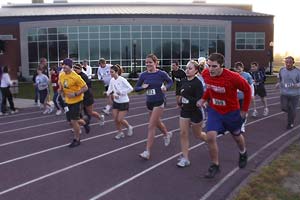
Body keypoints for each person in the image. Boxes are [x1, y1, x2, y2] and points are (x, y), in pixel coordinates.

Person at [197, 53, 252, 178]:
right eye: (209, 65)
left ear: (221, 66)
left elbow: (247, 90)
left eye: (214, 66)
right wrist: (204, 99)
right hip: (215, 111)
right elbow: (210, 89)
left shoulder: (233, 77)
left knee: (237, 136)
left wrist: (244, 110)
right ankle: (215, 165)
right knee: (210, 136)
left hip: (231, 112)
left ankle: (243, 152)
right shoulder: (206, 74)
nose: (210, 69)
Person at [135, 54, 173, 160]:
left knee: (151, 126)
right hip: (149, 102)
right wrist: (142, 87)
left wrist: (166, 87)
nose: (148, 64)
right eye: (146, 62)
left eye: (150, 62)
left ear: (156, 63)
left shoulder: (161, 74)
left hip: (159, 101)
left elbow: (170, 82)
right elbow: (136, 88)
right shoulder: (143, 75)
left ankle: (147, 151)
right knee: (157, 122)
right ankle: (167, 134)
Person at [177, 60, 206, 167]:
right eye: (186, 68)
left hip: (195, 112)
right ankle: (185, 158)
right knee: (183, 134)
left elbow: (199, 101)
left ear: (196, 71)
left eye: (190, 68)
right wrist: (180, 100)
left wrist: (187, 97)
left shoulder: (198, 83)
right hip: (185, 111)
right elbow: (181, 94)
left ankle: (208, 140)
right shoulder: (183, 81)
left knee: (198, 135)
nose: (187, 70)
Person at [58, 58, 89, 148]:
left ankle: (77, 139)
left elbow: (85, 87)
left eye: (66, 65)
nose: (64, 66)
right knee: (70, 121)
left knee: (73, 121)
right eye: (63, 65)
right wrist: (60, 90)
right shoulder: (62, 75)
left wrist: (75, 94)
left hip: (77, 101)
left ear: (70, 66)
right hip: (67, 101)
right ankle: (84, 123)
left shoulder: (76, 77)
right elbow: (62, 85)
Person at [106, 64, 134, 139]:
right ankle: (120, 132)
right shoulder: (112, 80)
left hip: (124, 102)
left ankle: (129, 127)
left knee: (120, 119)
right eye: (110, 72)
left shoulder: (122, 79)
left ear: (116, 72)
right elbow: (110, 89)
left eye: (112, 72)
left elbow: (131, 88)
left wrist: (121, 92)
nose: (110, 74)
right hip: (116, 102)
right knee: (115, 119)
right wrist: (108, 93)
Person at [276, 56, 300, 129]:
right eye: (286, 62)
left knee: (292, 110)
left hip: (294, 94)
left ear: (293, 63)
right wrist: (278, 83)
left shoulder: (298, 71)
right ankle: (290, 111)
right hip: (284, 93)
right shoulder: (282, 70)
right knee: (284, 108)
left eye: (290, 62)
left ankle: (290, 123)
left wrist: (298, 84)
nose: (288, 64)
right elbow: (279, 78)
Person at [234, 61, 254, 133]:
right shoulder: (233, 75)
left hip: (244, 97)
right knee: (236, 112)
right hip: (235, 97)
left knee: (243, 111)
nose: (238, 71)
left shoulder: (247, 75)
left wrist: (252, 95)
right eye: (237, 69)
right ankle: (237, 124)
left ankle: (242, 125)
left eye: (239, 69)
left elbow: (251, 85)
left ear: (242, 68)